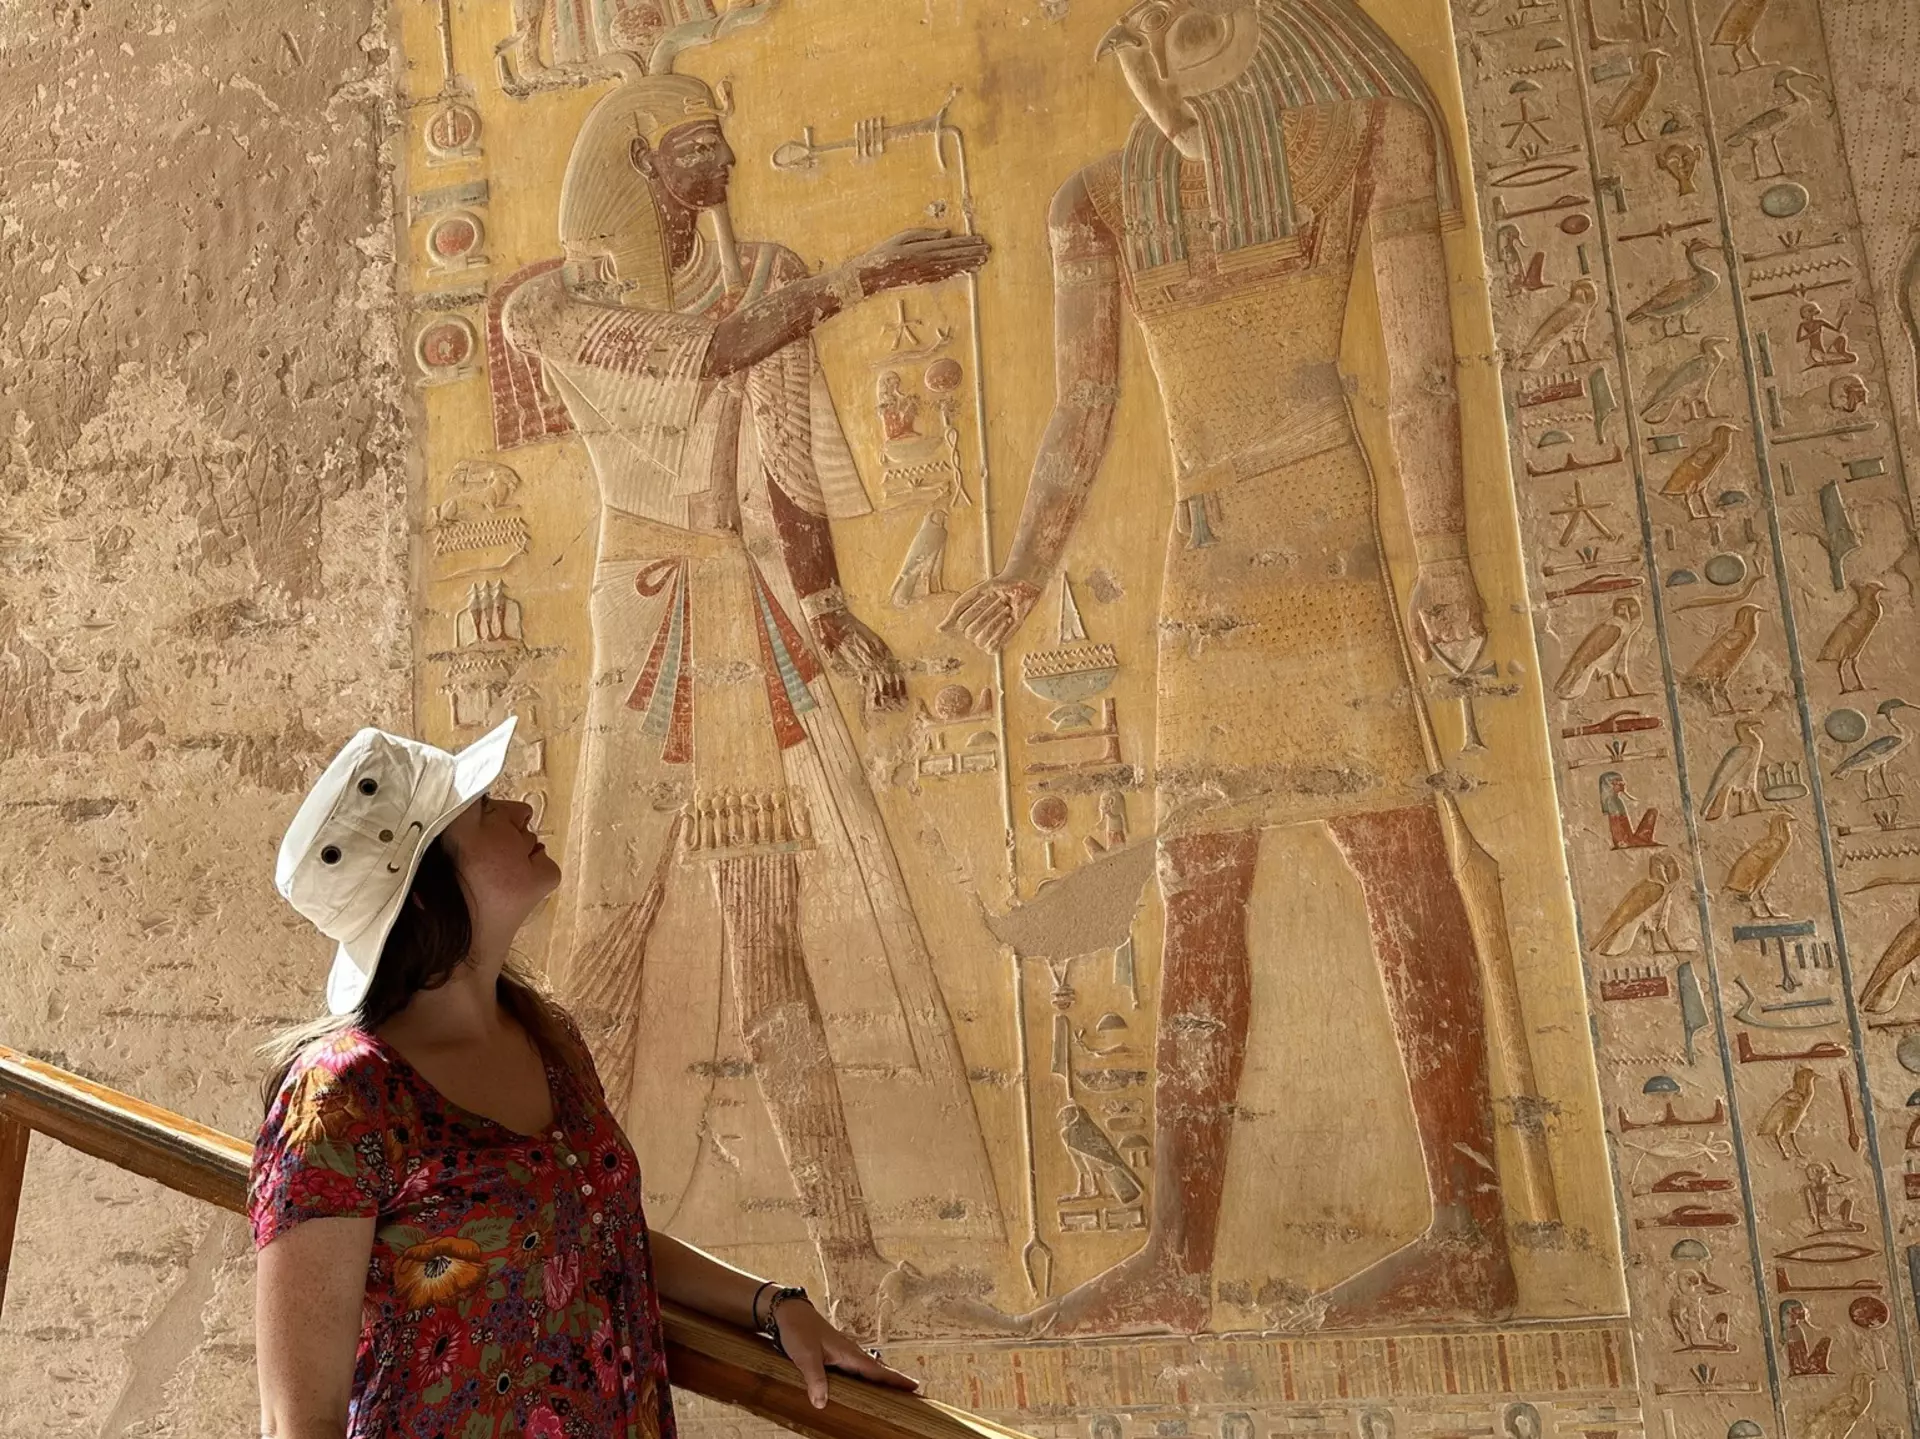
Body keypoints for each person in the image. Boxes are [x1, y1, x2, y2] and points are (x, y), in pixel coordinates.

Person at [944, 0, 1515, 1331]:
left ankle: (1472, 1230)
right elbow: (1084, 406)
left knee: (1401, 865)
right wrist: (1024, 568)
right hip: (1203, 567)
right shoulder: (1100, 199)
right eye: (1137, 33)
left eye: (1187, 27)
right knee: (1197, 891)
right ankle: (1177, 1263)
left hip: (1327, 540)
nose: (1152, 57)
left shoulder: (1372, 132)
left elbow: (1427, 366)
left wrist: (1443, 560)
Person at [497, 70, 1003, 1337]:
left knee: (771, 944)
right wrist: (858, 279)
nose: (723, 168)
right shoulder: (552, 312)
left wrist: (830, 610)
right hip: (643, 618)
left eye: (719, 145)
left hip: (739, 613)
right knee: (605, 939)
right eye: (696, 151)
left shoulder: (759, 270)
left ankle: (858, 1264)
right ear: (634, 173)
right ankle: (538, 1251)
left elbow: (784, 462)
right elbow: (698, 359)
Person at [250, 715, 910, 1438]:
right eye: (482, 809)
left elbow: (595, 1229)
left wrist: (773, 1303)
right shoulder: (343, 1097)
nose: (521, 808)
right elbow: (298, 1419)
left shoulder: (546, 1035)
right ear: (426, 890)